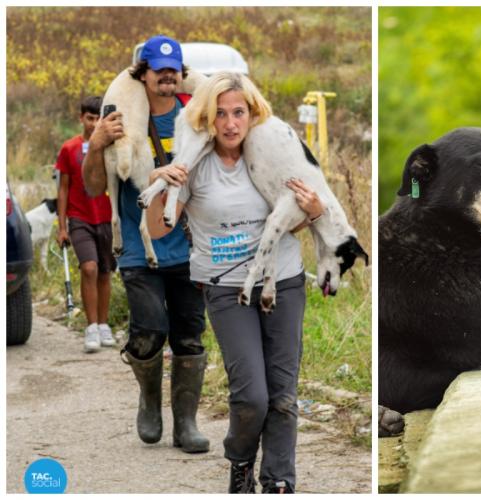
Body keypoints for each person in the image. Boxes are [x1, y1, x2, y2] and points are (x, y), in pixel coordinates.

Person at [145, 71, 323, 494]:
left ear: (252, 114)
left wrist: (314, 211)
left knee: (283, 396)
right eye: (220, 114)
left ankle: (279, 480)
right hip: (225, 289)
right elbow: (157, 231)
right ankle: (241, 462)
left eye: (238, 112)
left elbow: (291, 224)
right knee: (253, 396)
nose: (229, 123)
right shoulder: (194, 166)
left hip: (282, 282)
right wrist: (158, 182)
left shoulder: (272, 157)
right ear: (207, 118)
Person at [82, 35, 209, 454]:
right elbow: (94, 186)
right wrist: (96, 146)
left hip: (190, 249)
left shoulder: (195, 118)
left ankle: (186, 423)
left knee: (189, 336)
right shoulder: (120, 125)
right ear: (144, 73)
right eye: (159, 69)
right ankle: (149, 401)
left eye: (174, 69)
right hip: (140, 252)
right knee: (150, 331)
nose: (167, 75)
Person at [56, 95, 117, 353]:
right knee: (89, 268)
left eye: (98, 118)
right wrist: (62, 227)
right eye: (89, 118)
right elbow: (63, 188)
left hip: (107, 217)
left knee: (104, 272)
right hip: (80, 218)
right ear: (81, 118)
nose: (93, 124)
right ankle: (91, 327)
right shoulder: (69, 148)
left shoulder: (111, 147)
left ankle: (104, 325)